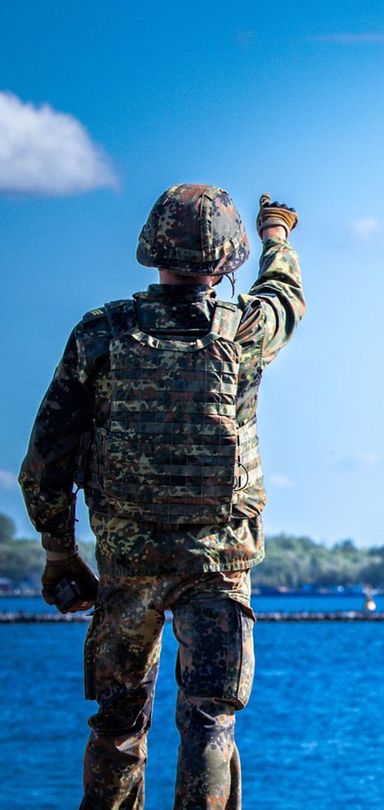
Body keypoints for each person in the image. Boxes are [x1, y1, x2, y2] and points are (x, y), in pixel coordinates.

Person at [19, 184, 304, 809]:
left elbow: (46, 459)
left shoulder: (101, 335)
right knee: (210, 721)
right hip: (220, 563)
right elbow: (285, 297)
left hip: (129, 561)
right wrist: (276, 235)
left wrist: (59, 552)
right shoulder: (246, 331)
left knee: (119, 727)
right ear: (227, 261)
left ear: (152, 249)